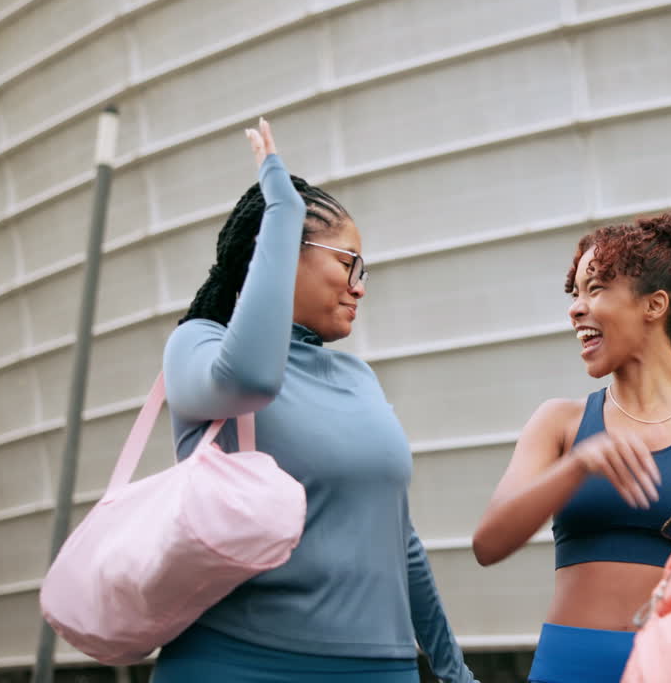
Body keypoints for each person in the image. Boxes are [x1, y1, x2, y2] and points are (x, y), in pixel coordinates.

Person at [151, 118, 476, 683]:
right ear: (279, 250)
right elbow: (250, 380)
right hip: (238, 662)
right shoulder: (199, 345)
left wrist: (453, 669)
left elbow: (398, 540)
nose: (359, 285)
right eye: (348, 262)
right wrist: (281, 211)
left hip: (382, 669)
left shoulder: (359, 379)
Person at [471, 210, 671, 683]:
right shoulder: (559, 422)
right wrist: (577, 466)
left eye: (594, 289)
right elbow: (487, 544)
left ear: (653, 305)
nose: (576, 308)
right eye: (575, 292)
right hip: (568, 668)